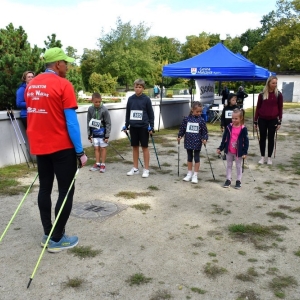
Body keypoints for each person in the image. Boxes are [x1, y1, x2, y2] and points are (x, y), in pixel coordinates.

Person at [25, 47, 87, 253]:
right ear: (58, 64)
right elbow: (71, 123)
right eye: (66, 63)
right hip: (61, 147)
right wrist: (80, 152)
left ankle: (47, 233)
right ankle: (57, 238)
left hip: (40, 147)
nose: (67, 67)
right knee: (65, 190)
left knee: (44, 188)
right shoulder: (63, 84)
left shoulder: (31, 85)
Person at [123, 78, 154, 178]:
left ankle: (146, 169)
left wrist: (151, 126)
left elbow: (150, 114)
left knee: (144, 147)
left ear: (143, 88)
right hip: (133, 127)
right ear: (134, 87)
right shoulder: (131, 99)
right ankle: (135, 168)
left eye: (140, 87)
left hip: (143, 127)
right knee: (135, 147)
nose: (137, 89)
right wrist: (126, 125)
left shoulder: (146, 99)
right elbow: (128, 113)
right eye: (136, 87)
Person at [217, 108, 249, 189]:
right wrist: (220, 148)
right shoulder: (229, 127)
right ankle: (228, 179)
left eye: (236, 118)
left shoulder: (243, 129)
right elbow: (224, 139)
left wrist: (245, 152)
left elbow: (246, 141)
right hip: (229, 150)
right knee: (229, 165)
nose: (233, 120)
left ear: (241, 118)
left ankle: (238, 180)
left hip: (239, 152)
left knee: (238, 166)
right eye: (232, 118)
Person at [254, 76, 283, 165]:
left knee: (271, 138)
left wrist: (279, 121)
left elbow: (280, 108)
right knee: (262, 138)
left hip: (273, 120)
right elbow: (258, 107)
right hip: (262, 119)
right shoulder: (262, 95)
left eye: (276, 83)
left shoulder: (278, 94)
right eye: (273, 83)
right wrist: (255, 121)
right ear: (268, 83)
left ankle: (269, 158)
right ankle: (262, 157)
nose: (274, 85)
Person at [177, 101, 208, 184]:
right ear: (192, 110)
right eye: (197, 111)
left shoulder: (201, 120)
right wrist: (180, 135)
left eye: (200, 111)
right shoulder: (186, 119)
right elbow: (182, 129)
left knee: (196, 157)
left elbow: (204, 132)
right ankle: (189, 173)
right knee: (189, 157)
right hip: (188, 141)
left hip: (197, 142)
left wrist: (204, 138)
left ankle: (195, 175)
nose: (199, 113)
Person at [87, 92, 111, 173]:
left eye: (99, 102)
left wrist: (107, 135)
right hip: (94, 132)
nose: (97, 103)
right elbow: (88, 122)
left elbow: (108, 123)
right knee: (96, 148)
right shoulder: (90, 109)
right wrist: (89, 134)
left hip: (102, 132)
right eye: (95, 102)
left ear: (101, 100)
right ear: (92, 101)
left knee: (103, 148)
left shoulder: (104, 110)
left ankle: (103, 164)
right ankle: (97, 163)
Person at [220, 93, 239, 160]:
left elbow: (239, 117)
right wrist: (222, 125)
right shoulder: (225, 108)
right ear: (229, 100)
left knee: (234, 141)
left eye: (235, 100)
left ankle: (234, 153)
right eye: (233, 100)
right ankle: (226, 153)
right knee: (226, 139)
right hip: (227, 127)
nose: (234, 101)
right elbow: (222, 117)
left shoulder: (236, 108)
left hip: (235, 127)